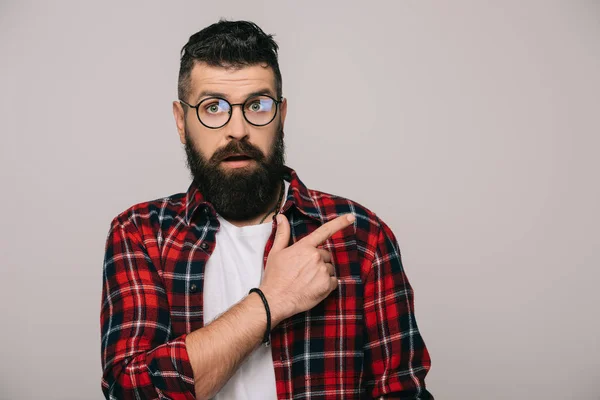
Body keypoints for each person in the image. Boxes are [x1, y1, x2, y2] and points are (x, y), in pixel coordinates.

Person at [100, 19, 433, 400]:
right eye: (213, 107)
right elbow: (131, 391)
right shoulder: (141, 235)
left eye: (257, 106)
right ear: (181, 121)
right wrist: (271, 301)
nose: (238, 130)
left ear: (282, 114)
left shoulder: (361, 238)